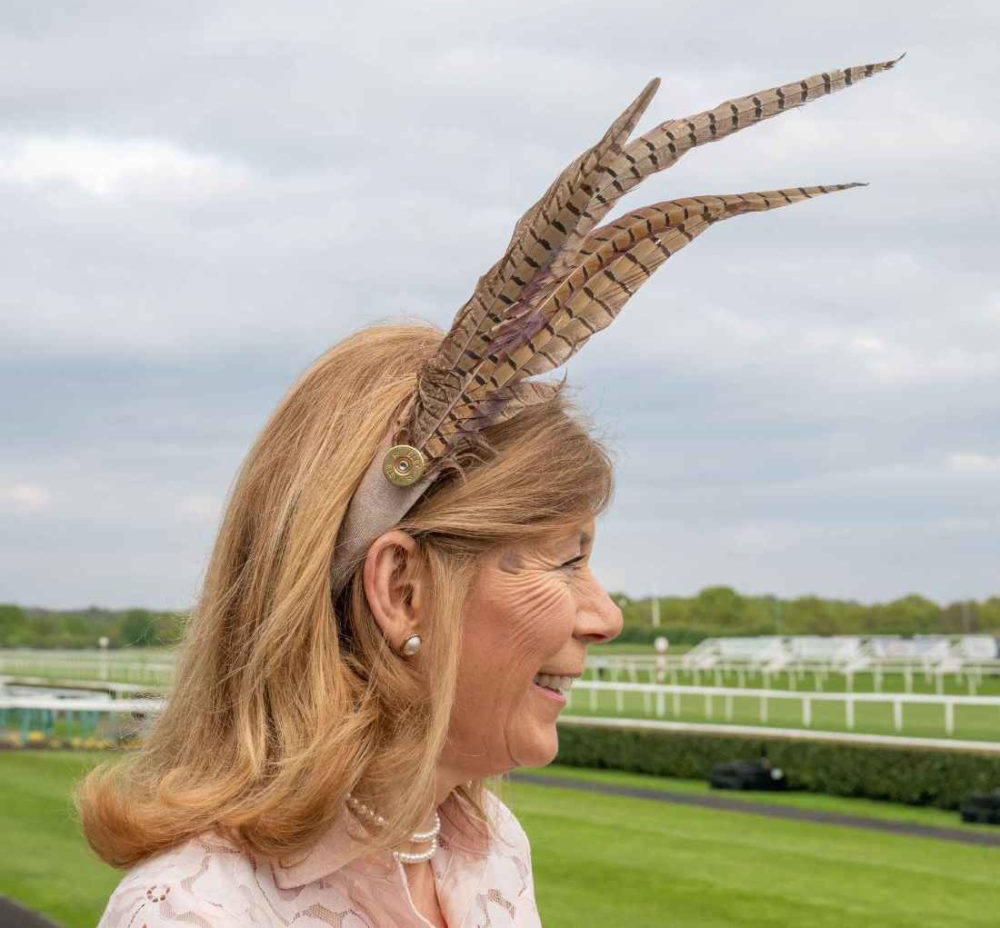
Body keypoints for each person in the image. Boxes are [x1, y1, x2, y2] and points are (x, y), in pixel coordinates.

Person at [79, 54, 899, 926]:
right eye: (566, 560)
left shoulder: (488, 850)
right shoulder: (198, 913)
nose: (606, 615)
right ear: (400, 590)